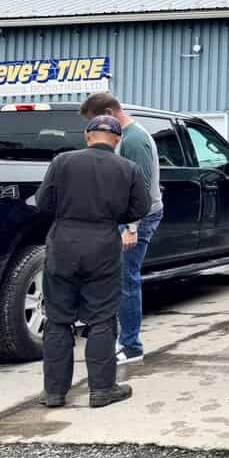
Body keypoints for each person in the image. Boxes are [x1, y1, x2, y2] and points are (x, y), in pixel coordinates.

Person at [35, 115, 150, 408]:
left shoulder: (62, 162)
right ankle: (102, 390)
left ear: (88, 136)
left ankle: (54, 393)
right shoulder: (129, 168)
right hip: (103, 245)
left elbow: (43, 202)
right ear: (117, 139)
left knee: (58, 319)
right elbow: (141, 207)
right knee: (101, 317)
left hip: (63, 244)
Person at [80, 93, 163, 364]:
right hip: (121, 218)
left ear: (108, 113)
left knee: (126, 280)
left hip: (137, 219)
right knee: (115, 278)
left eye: (95, 122)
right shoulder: (124, 136)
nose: (93, 131)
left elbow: (141, 189)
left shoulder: (134, 140)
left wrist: (131, 227)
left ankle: (131, 346)